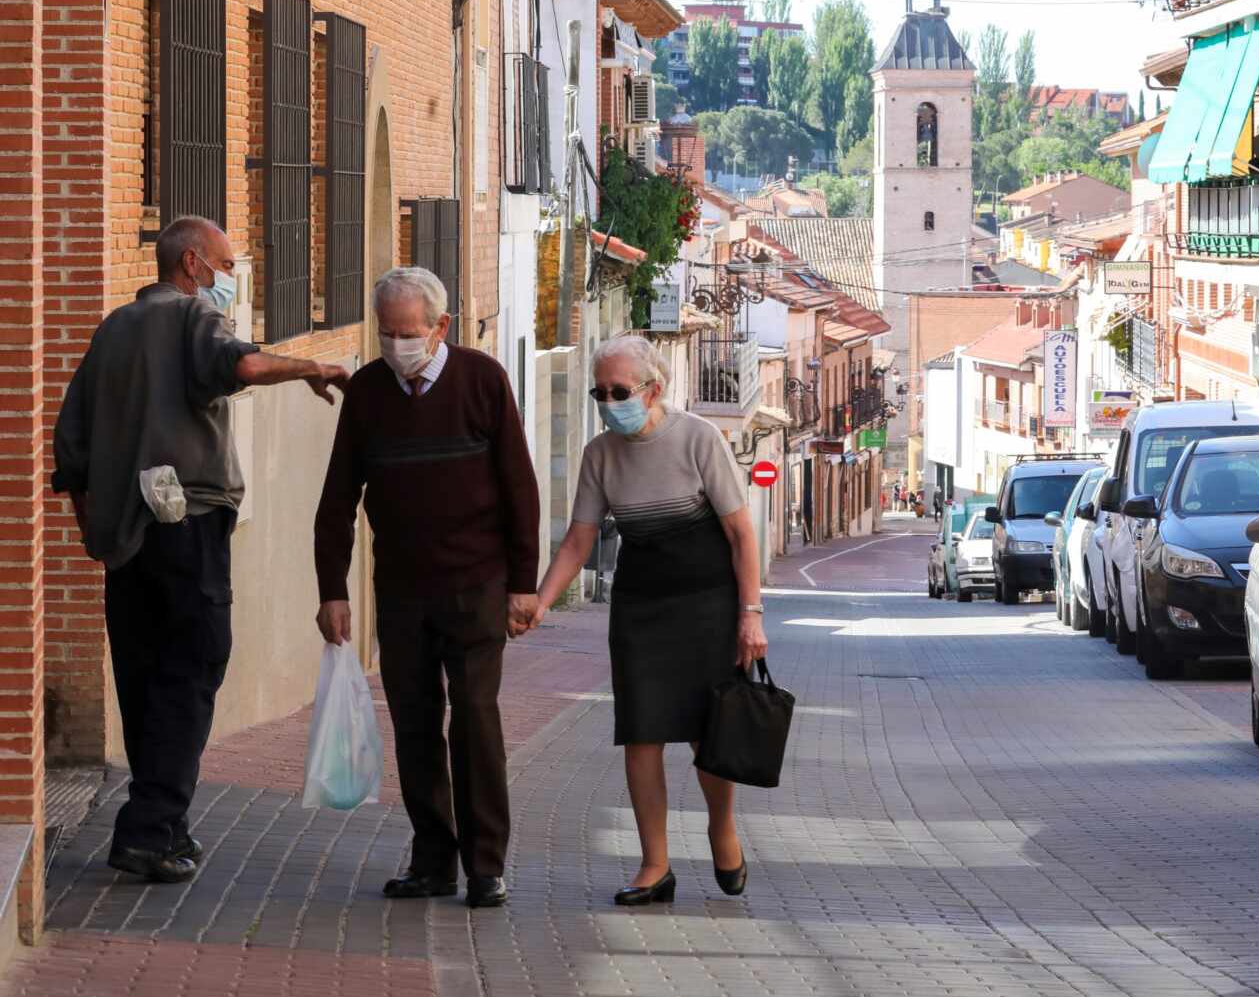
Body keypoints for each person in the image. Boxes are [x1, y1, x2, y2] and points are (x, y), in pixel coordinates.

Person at [51, 217, 350, 884]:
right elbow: (240, 362)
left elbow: (68, 450)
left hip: (125, 537)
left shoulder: (112, 331)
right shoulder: (191, 318)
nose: (230, 276)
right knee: (192, 667)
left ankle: (162, 822)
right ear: (191, 264)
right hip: (188, 527)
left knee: (145, 673)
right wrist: (309, 366)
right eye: (225, 263)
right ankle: (150, 828)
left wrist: (96, 531)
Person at [313, 267, 539, 911]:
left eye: (408, 333)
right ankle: (433, 858)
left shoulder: (482, 381)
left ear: (440, 327)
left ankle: (485, 864)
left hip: (477, 584)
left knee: (474, 719)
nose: (395, 345)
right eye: (386, 333)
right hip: (403, 588)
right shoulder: (367, 395)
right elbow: (337, 498)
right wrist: (334, 589)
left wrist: (523, 585)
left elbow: (520, 488)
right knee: (414, 723)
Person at [521, 336, 765, 906]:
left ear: (653, 389)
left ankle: (720, 827)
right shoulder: (600, 455)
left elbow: (740, 533)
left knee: (711, 728)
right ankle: (655, 864)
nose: (609, 402)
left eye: (620, 391)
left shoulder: (698, 438)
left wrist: (750, 615)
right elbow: (579, 538)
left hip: (709, 602)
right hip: (640, 607)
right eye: (600, 393)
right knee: (642, 732)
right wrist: (540, 600)